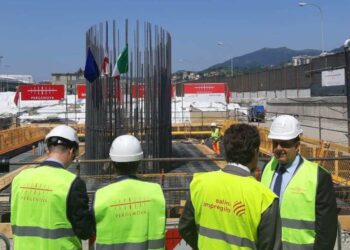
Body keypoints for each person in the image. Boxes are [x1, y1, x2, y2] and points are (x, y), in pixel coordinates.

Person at [179, 123, 281, 250]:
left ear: (226, 150)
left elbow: (185, 227)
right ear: (255, 152)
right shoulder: (265, 199)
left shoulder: (200, 183)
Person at [260, 115, 338, 250]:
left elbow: (327, 231)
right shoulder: (268, 169)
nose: (278, 148)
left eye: (284, 143)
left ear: (297, 146)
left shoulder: (318, 176)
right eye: (275, 143)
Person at [11, 125, 94, 250]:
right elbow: (84, 231)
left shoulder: (19, 179)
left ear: (47, 150)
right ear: (71, 151)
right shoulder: (72, 183)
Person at [93, 135, 166, 249]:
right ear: (139, 162)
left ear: (113, 163)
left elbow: (88, 229)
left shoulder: (101, 196)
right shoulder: (155, 192)